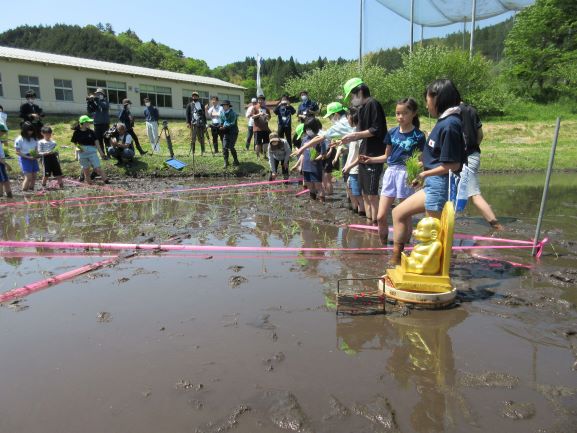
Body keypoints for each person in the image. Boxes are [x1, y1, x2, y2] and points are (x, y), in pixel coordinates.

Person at [390, 79, 466, 265]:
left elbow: (453, 164)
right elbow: (435, 156)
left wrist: (425, 174)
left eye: (428, 99)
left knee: (434, 233)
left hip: (439, 186)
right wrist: (421, 170)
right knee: (399, 213)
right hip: (432, 183)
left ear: (438, 98)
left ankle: (435, 268)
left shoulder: (450, 125)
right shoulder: (444, 122)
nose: (426, 104)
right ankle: (397, 258)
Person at [360, 98, 425, 245]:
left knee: (404, 215)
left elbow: (422, 160)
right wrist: (371, 160)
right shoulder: (392, 132)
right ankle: (383, 246)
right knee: (381, 215)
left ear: (413, 114)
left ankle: (403, 247)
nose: (400, 117)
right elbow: (387, 156)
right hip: (390, 173)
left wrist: (415, 169)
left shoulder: (419, 136)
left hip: (406, 174)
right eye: (397, 113)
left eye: (404, 113)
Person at [341, 78, 387, 225]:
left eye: (353, 96)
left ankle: (377, 224)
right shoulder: (361, 109)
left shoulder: (373, 104)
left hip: (373, 155)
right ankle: (369, 224)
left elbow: (377, 129)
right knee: (365, 194)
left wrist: (355, 135)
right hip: (363, 153)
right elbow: (360, 132)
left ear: (360, 92)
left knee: (372, 195)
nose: (352, 100)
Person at [460, 101, 504, 230]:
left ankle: (497, 226)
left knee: (474, 195)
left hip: (464, 159)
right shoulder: (471, 110)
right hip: (473, 155)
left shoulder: (452, 112)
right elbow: (480, 135)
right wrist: (473, 148)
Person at [71, 115, 109, 184]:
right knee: (86, 168)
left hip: (92, 152)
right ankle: (89, 182)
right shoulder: (76, 132)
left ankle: (106, 180)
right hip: (82, 153)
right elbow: (75, 143)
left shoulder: (91, 132)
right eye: (88, 122)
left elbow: (97, 143)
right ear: (83, 123)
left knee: (97, 167)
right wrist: (77, 151)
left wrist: (101, 153)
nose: (89, 123)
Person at [341, 107, 365, 215]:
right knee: (352, 192)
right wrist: (343, 150)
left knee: (358, 195)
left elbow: (361, 154)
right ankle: (357, 215)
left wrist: (350, 166)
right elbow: (353, 151)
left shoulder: (359, 133)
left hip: (356, 169)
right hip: (351, 169)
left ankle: (364, 218)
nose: (347, 119)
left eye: (348, 117)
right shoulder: (354, 131)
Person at [300, 117, 326, 201]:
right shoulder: (304, 139)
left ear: (315, 128)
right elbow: (302, 154)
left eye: (310, 128)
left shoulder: (320, 139)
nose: (308, 130)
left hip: (315, 167)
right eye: (307, 128)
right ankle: (313, 201)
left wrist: (316, 158)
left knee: (318, 185)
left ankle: (322, 202)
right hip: (306, 167)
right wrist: (300, 165)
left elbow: (323, 154)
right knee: (309, 185)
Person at [14, 121, 39, 192]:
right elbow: (17, 152)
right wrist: (28, 157)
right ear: (24, 130)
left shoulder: (34, 138)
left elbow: (36, 149)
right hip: (24, 158)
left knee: (34, 176)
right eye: (29, 131)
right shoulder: (19, 139)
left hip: (33, 157)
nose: (30, 132)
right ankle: (24, 191)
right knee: (28, 177)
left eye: (31, 130)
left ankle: (31, 190)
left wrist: (36, 155)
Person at [87, 88, 111, 158]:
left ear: (103, 95)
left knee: (106, 139)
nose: (98, 95)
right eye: (97, 94)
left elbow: (104, 106)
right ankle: (103, 155)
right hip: (97, 124)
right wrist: (89, 102)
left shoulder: (105, 101)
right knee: (99, 140)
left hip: (105, 124)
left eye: (99, 94)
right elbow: (90, 111)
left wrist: (97, 100)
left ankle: (109, 154)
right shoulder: (95, 102)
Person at [219, 100, 240, 168]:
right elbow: (221, 122)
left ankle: (236, 160)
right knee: (224, 147)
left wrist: (224, 126)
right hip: (226, 132)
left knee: (231, 147)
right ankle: (226, 162)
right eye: (223, 106)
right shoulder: (222, 113)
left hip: (233, 132)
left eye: (225, 105)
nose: (223, 107)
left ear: (228, 106)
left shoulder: (233, 113)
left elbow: (232, 123)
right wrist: (220, 126)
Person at [185, 91, 207, 156]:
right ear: (192, 97)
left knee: (201, 137)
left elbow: (204, 115)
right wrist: (187, 123)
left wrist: (205, 123)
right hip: (192, 123)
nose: (194, 97)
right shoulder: (189, 105)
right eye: (193, 96)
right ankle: (193, 151)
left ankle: (203, 151)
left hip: (200, 123)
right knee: (192, 138)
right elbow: (187, 114)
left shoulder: (201, 104)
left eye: (196, 96)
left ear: (198, 97)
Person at [0, 124, 13, 198]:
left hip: (2, 162)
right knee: (1, 180)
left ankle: (9, 195)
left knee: (5, 179)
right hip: (1, 162)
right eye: (2, 131)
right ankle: (1, 197)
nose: (3, 133)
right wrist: (6, 164)